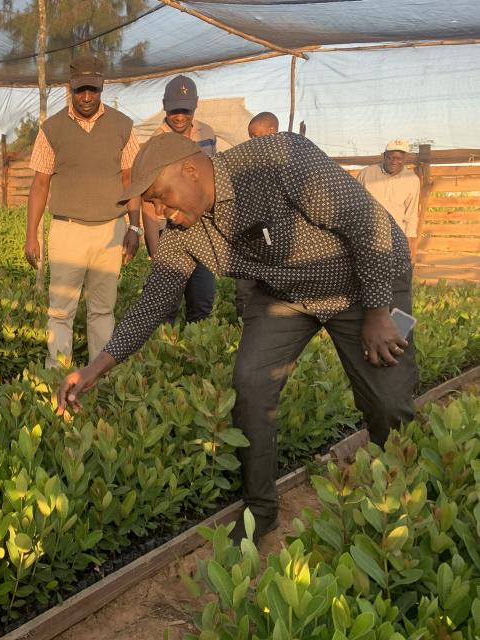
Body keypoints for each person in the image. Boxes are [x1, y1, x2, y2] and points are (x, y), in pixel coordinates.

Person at [56, 132, 417, 545]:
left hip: (363, 283)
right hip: (285, 293)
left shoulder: (277, 159)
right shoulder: (184, 231)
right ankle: (259, 510)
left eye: (159, 197)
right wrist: (94, 369)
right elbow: (154, 302)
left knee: (388, 399)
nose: (158, 212)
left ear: (190, 170)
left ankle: (401, 506)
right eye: (151, 205)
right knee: (250, 383)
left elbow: (366, 222)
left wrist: (376, 310)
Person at [24, 54, 143, 368]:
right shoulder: (51, 129)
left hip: (111, 229)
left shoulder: (123, 126)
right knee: (61, 310)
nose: (87, 96)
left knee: (103, 309)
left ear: (102, 87)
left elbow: (131, 180)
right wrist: (31, 236)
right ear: (70, 88)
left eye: (93, 89)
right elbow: (39, 185)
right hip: (68, 230)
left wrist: (135, 227)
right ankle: (57, 374)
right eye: (80, 90)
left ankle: (99, 376)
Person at [142, 75, 216, 324]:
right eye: (174, 109)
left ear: (196, 104)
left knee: (203, 302)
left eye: (186, 109)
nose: (180, 116)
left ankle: (195, 357)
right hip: (169, 230)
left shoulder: (207, 133)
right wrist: (155, 251)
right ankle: (168, 356)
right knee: (167, 306)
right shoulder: (154, 142)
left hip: (202, 229)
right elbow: (148, 204)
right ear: (164, 105)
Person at [234, 111, 282, 317]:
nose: (251, 141)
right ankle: (243, 326)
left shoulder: (287, 161)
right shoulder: (247, 163)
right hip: (251, 236)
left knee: (276, 290)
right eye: (250, 137)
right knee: (244, 288)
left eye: (255, 135)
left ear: (272, 131)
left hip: (278, 238)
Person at [356, 140, 420, 261]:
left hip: (395, 237)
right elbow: (354, 204)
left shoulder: (412, 180)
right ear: (384, 156)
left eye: (399, 158)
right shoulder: (366, 174)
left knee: (393, 274)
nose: (394, 162)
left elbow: (411, 214)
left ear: (405, 158)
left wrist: (410, 243)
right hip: (367, 234)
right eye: (390, 157)